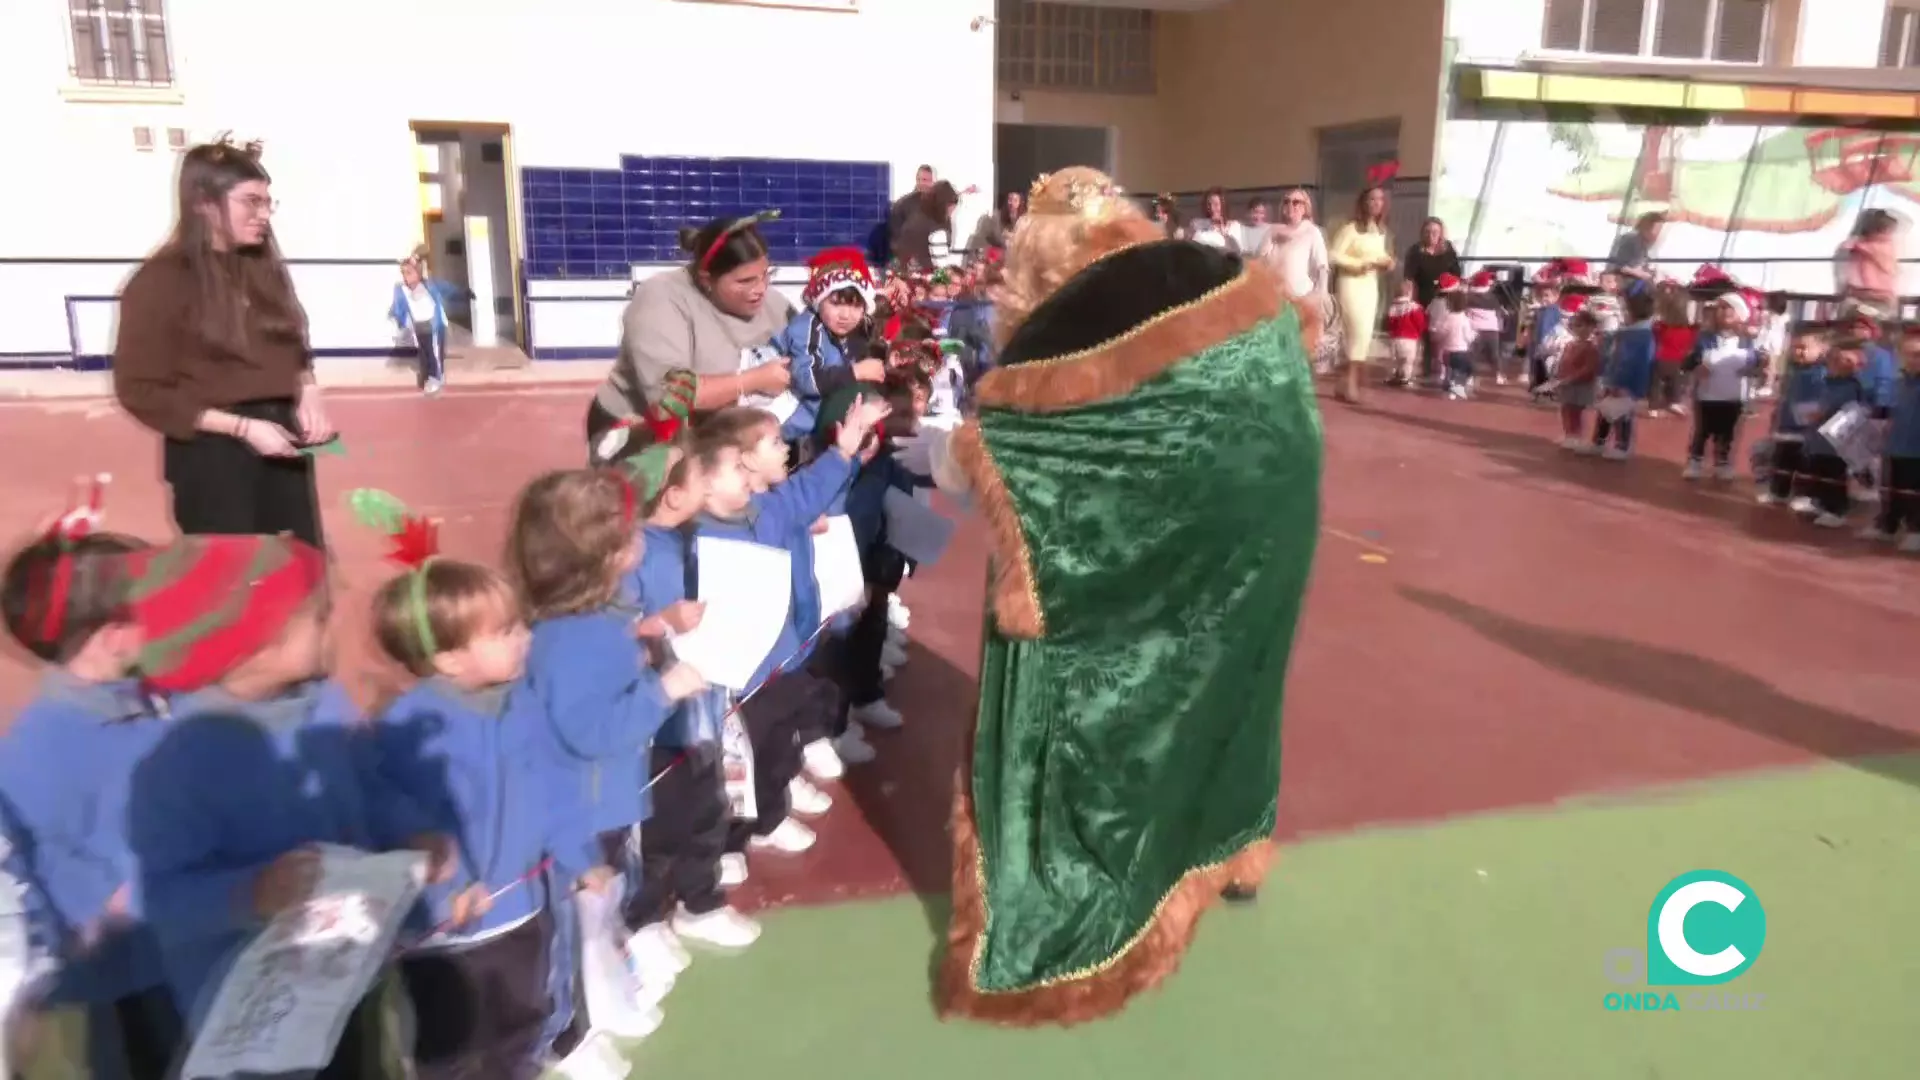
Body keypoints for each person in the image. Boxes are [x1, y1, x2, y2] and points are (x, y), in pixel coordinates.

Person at [898, 167, 1323, 1025]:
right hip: (1270, 516)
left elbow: (1023, 451)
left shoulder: (1071, 326)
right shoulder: (1209, 272)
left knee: (1116, 699)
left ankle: (1091, 931)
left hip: (1174, 544)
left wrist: (928, 447)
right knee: (1225, 684)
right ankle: (1227, 848)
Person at [0, 488, 178, 1080]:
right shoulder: (40, 744)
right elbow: (34, 867)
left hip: (174, 950)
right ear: (110, 635)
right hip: (112, 979)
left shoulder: (155, 699)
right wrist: (106, 903)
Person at [111, 139, 334, 550]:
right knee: (233, 591)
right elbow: (139, 390)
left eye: (269, 202)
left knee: (297, 578)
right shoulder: (160, 281)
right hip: (213, 459)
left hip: (284, 448)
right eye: (251, 201)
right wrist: (241, 428)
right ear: (203, 202)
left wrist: (308, 388)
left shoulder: (261, 268)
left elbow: (292, 342)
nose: (264, 215)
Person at [588, 212, 796, 455]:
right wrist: (752, 381)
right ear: (706, 280)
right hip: (639, 432)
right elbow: (670, 397)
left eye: (766, 275)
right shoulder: (661, 300)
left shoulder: (775, 305)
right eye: (745, 281)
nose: (760, 289)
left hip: (725, 433)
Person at [1680, 294, 1760, 482]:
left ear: (1740, 314)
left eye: (1729, 307)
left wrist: (1754, 368)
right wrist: (1695, 367)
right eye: (1720, 308)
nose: (1724, 311)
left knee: (1727, 432)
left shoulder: (1747, 341)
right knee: (1702, 430)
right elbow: (1688, 362)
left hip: (1733, 395)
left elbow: (1755, 364)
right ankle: (1695, 460)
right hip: (1706, 395)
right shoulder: (1705, 338)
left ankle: (1722, 462)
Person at [1328, 186, 1396, 402]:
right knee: (1356, 330)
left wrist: (1388, 262)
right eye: (1372, 199)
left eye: (1380, 199)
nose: (1376, 203)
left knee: (1365, 333)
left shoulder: (1380, 231)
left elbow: (1380, 255)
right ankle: (1350, 384)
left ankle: (1345, 381)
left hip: (1370, 285)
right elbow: (1333, 255)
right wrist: (1358, 264)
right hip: (1350, 283)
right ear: (1364, 203)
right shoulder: (1350, 229)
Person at [388, 258, 463, 397]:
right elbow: (398, 306)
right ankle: (429, 375)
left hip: (434, 324)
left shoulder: (429, 285)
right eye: (403, 273)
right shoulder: (401, 289)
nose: (405, 276)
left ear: (417, 273)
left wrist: (463, 293)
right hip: (419, 325)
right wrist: (396, 316)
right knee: (424, 352)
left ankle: (436, 378)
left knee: (434, 352)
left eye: (409, 273)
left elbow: (448, 289)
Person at [891, 181, 962, 270]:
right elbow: (940, 262)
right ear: (944, 204)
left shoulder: (917, 215)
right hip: (924, 272)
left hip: (903, 268)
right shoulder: (939, 225)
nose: (952, 211)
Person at [1401, 217, 1463, 310]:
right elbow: (1409, 279)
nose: (1430, 235)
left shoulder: (1448, 248)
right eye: (1427, 232)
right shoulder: (1415, 251)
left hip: (1446, 301)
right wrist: (1411, 303)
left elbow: (1456, 274)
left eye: (1435, 232)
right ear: (1422, 233)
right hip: (1423, 299)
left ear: (1441, 234)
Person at [1605, 211, 1666, 292]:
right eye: (1657, 229)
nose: (1658, 233)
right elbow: (1620, 265)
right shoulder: (1630, 239)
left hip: (1633, 282)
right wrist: (1642, 274)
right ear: (1646, 227)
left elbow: (1641, 264)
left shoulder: (1645, 243)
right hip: (1621, 283)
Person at [1185, 188, 1239, 252]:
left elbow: (1236, 252)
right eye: (1209, 204)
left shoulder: (1233, 226)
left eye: (1216, 204)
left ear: (1224, 206)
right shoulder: (1197, 224)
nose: (1212, 208)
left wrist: (1223, 233)